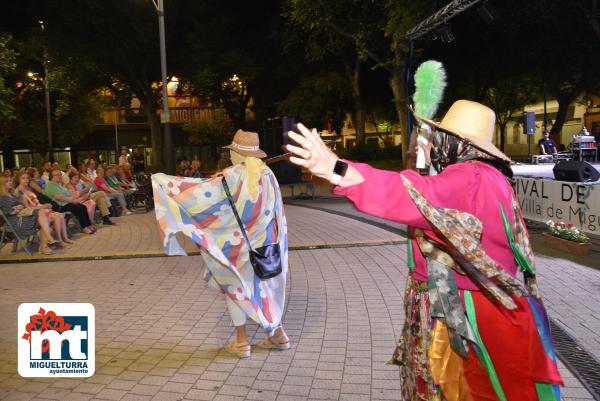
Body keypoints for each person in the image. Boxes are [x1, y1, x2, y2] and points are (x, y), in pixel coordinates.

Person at [285, 101, 563, 401]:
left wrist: (338, 170)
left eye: (436, 138)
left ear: (455, 143)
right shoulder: (491, 176)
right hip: (481, 304)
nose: (430, 144)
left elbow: (412, 195)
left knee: (452, 389)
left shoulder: (469, 178)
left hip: (460, 314)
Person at [153, 129, 290, 358]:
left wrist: (162, 181)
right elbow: (276, 212)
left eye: (232, 152)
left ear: (237, 154)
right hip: (265, 248)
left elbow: (200, 197)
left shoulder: (230, 176)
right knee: (264, 289)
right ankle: (279, 335)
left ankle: (242, 343)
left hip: (237, 248)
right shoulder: (267, 174)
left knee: (235, 290)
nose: (230, 156)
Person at [14, 171, 73, 249]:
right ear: (18, 180)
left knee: (60, 215)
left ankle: (63, 238)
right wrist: (43, 207)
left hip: (39, 210)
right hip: (32, 215)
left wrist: (44, 206)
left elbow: (36, 203)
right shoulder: (19, 192)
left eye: (27, 178)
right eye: (23, 178)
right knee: (57, 216)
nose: (26, 180)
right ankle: (59, 241)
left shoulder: (28, 189)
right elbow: (27, 208)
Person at [0, 176, 56, 255]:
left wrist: (19, 207)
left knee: (44, 218)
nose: (10, 183)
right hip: (16, 221)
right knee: (43, 216)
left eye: (10, 181)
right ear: (2, 184)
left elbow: (22, 205)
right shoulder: (2, 198)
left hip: (23, 217)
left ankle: (44, 246)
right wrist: (16, 208)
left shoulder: (12, 195)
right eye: (7, 181)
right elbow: (9, 212)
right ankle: (46, 242)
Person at [45, 169, 96, 234]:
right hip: (60, 206)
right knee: (78, 208)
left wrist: (75, 198)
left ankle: (89, 225)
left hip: (66, 203)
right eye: (56, 175)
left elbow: (69, 194)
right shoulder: (51, 186)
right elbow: (59, 197)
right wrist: (72, 200)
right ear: (51, 176)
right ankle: (84, 228)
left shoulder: (58, 185)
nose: (59, 176)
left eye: (60, 174)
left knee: (83, 207)